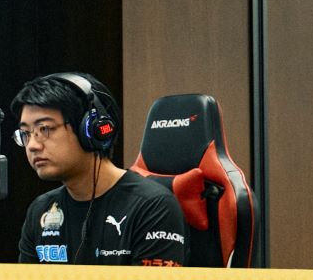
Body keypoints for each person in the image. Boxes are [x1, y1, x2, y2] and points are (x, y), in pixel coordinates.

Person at [11, 72, 188, 266]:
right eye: (26, 133)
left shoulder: (153, 207)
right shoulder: (40, 210)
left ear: (90, 129)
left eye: (44, 129)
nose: (32, 145)